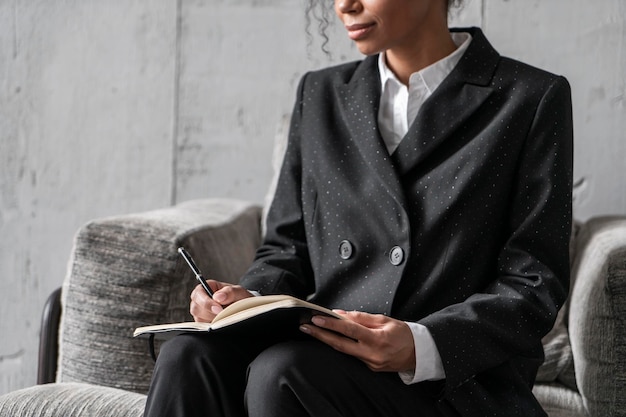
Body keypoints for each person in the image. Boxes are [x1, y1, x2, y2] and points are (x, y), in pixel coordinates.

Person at [144, 0, 573, 416]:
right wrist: (246, 303)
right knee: (188, 355)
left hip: (453, 386)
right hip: (325, 349)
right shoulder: (321, 93)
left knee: (283, 373)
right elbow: (288, 246)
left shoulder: (529, 98)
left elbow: (533, 284)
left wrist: (420, 345)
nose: (344, 5)